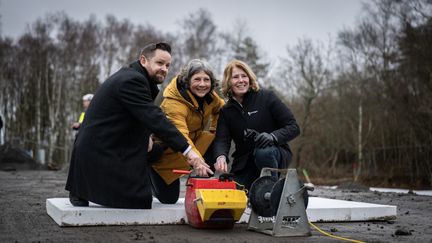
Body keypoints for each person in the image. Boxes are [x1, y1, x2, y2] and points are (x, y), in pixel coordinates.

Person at [65, 42, 213, 209]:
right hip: (101, 150)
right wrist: (190, 154)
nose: (164, 68)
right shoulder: (132, 80)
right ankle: (82, 190)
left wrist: (146, 136)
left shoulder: (136, 77)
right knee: (139, 201)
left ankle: (133, 178)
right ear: (143, 60)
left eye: (167, 65)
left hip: (111, 142)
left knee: (156, 151)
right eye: (159, 63)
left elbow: (135, 115)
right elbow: (155, 118)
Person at [213, 60, 300, 190]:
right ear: (228, 82)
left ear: (250, 78)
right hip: (245, 162)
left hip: (274, 153)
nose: (241, 80)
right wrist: (220, 156)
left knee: (263, 153)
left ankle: (273, 191)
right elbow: (222, 139)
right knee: (233, 190)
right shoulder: (226, 110)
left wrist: (272, 137)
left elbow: (293, 127)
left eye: (244, 76)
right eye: (235, 77)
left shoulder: (266, 97)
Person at [150, 59, 225, 203]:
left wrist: (214, 130)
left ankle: (201, 184)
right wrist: (196, 160)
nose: (202, 84)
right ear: (187, 81)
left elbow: (222, 109)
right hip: (171, 151)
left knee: (214, 139)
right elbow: (180, 137)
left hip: (193, 146)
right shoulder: (174, 103)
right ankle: (148, 175)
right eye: (197, 79)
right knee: (169, 199)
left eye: (206, 80)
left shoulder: (210, 97)